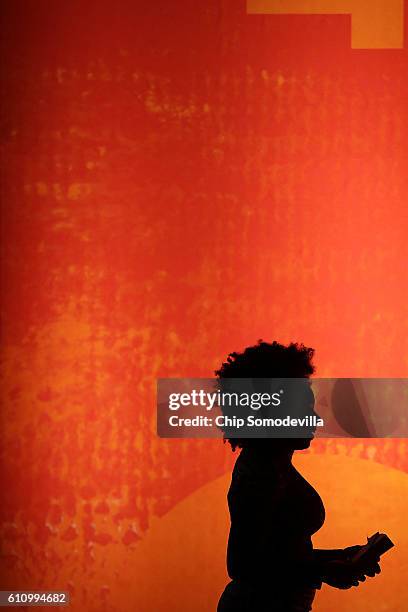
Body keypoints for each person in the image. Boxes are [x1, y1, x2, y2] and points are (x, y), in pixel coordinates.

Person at [216, 340, 381, 612]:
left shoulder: (273, 467)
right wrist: (325, 570)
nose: (315, 419)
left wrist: (338, 558)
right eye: (304, 408)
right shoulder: (261, 471)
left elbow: (280, 555)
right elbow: (242, 566)